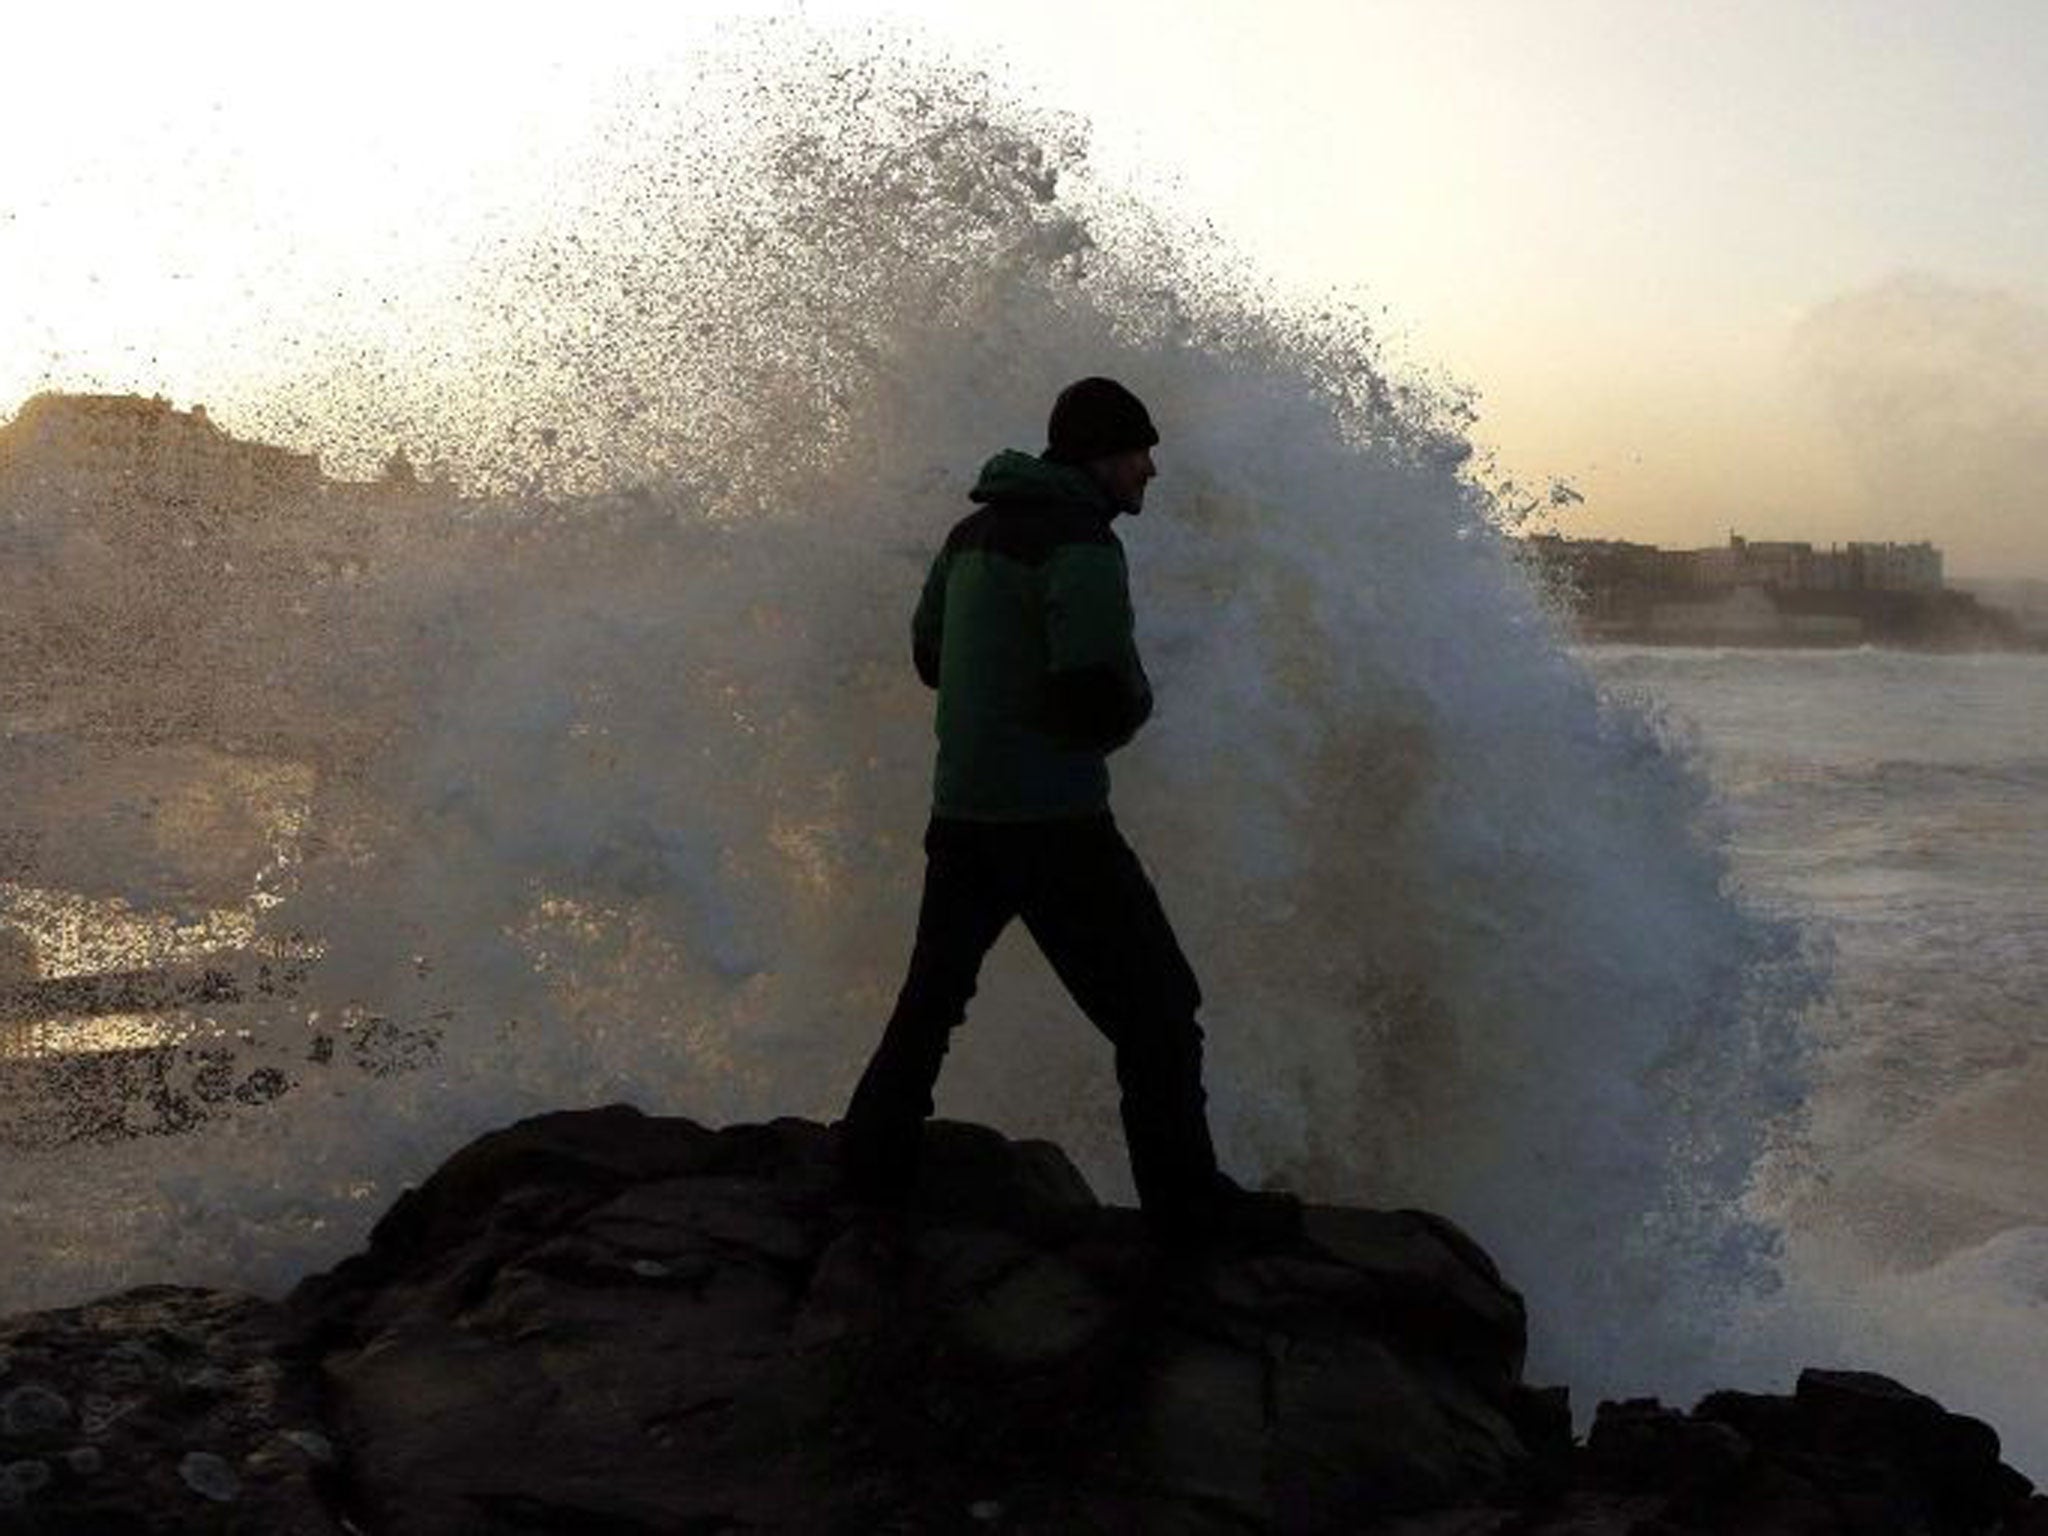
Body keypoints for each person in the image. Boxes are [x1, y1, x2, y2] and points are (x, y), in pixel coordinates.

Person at [839, 378, 1296, 1245]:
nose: (1151, 470)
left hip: (964, 814)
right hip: (1054, 825)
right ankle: (1185, 1205)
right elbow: (1093, 688)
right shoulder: (1081, 542)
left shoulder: (970, 533)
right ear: (1098, 454)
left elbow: (929, 655)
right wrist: (1135, 708)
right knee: (1159, 1011)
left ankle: (867, 1166)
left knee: (931, 1000)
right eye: (1138, 452)